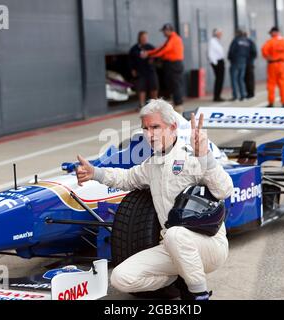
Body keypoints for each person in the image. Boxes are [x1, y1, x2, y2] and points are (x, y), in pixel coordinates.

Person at [75, 99, 233, 300]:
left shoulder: (192, 157)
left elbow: (224, 190)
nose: (150, 134)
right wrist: (95, 173)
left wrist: (205, 156)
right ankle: (178, 278)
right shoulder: (152, 165)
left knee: (175, 235)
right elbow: (125, 178)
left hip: (209, 245)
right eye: (146, 128)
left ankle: (199, 295)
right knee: (120, 278)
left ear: (173, 127)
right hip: (172, 247)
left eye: (156, 127)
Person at [142, 24, 185, 114]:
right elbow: (161, 49)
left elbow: (163, 50)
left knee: (175, 84)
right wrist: (150, 53)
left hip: (174, 65)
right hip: (172, 65)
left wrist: (150, 55)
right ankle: (177, 103)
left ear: (168, 30)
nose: (163, 33)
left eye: (164, 31)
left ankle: (178, 105)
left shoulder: (173, 39)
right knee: (173, 84)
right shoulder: (171, 39)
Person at [129, 31, 159, 109]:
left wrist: (153, 60)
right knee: (141, 88)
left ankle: (154, 104)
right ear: (139, 38)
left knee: (154, 87)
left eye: (146, 37)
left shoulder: (150, 47)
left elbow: (157, 56)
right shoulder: (134, 48)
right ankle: (141, 104)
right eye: (143, 37)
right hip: (140, 71)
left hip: (150, 71)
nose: (144, 39)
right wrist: (133, 69)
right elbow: (130, 60)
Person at [261, 26, 284, 108]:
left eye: (271, 33)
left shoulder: (270, 42)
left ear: (274, 32)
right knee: (283, 84)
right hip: (282, 65)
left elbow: (263, 50)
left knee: (271, 84)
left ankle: (271, 103)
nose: (270, 35)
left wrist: (268, 57)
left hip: (272, 65)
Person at [227, 30, 251, 101]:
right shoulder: (246, 42)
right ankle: (243, 95)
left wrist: (230, 59)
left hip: (235, 62)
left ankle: (235, 96)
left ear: (237, 34)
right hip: (243, 62)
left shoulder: (235, 41)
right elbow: (248, 52)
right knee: (241, 79)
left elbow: (231, 51)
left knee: (234, 79)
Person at [208, 28, 226, 102]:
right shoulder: (212, 41)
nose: (221, 35)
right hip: (217, 62)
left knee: (220, 79)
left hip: (220, 61)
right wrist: (215, 63)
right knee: (219, 79)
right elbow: (210, 53)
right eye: (220, 33)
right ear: (216, 33)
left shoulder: (216, 41)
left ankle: (218, 95)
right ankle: (216, 96)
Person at [244, 31, 257, 99]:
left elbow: (254, 53)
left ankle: (251, 94)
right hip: (247, 63)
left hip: (248, 63)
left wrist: (249, 60)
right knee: (247, 79)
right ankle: (249, 93)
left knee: (249, 79)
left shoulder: (250, 42)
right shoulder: (250, 42)